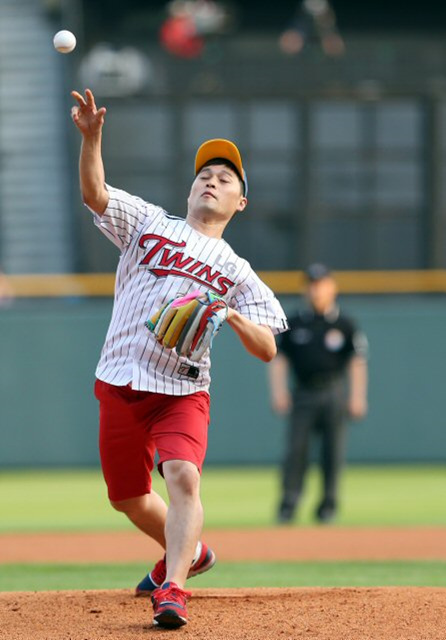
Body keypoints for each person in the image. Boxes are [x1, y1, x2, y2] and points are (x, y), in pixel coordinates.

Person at [70, 88, 288, 629]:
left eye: (225, 179)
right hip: (119, 380)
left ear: (240, 202)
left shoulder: (238, 272)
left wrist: (233, 317)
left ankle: (174, 588)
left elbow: (268, 348)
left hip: (183, 389)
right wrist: (92, 139)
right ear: (190, 190)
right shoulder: (149, 224)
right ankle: (191, 550)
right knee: (127, 498)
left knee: (183, 477)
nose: (211, 181)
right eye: (203, 176)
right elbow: (95, 193)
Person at [269, 263, 368, 524]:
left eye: (321, 284)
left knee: (332, 452)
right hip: (302, 392)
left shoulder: (345, 323)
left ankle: (328, 505)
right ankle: (289, 503)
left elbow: (356, 362)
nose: (316, 290)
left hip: (333, 391)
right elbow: (280, 360)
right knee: (296, 450)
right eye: (311, 284)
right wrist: (279, 392)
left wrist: (357, 396)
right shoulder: (295, 321)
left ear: (332, 287)